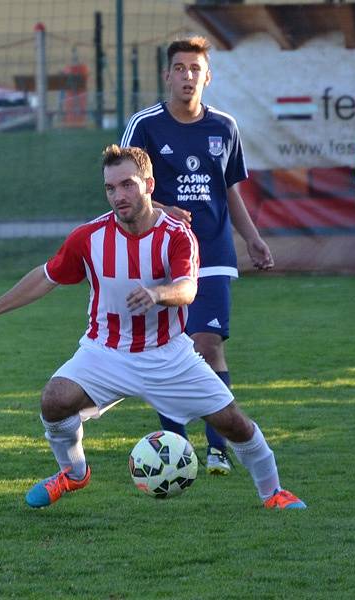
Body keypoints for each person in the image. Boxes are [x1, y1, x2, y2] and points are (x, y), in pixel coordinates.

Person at [0, 145, 306, 510]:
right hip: (104, 351)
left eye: (127, 185)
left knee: (232, 422)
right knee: (54, 400)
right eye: (111, 188)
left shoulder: (176, 234)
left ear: (149, 184)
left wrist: (159, 293)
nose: (118, 196)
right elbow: (47, 277)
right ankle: (73, 473)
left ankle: (273, 493)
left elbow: (188, 288)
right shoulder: (89, 237)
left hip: (168, 355)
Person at [120, 36, 273, 475]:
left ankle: (218, 447)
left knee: (208, 344)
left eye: (195, 69)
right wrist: (164, 209)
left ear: (208, 76)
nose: (188, 76)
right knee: (168, 346)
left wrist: (253, 238)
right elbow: (124, 183)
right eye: (180, 68)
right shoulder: (144, 125)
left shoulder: (224, 126)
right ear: (167, 75)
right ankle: (172, 447)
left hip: (213, 250)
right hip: (160, 252)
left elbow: (229, 189)